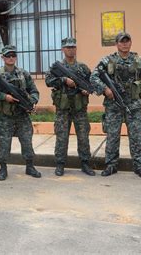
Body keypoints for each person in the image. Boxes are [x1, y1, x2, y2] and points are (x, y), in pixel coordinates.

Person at [90, 32, 141, 178]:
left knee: (136, 136)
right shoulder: (107, 60)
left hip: (134, 105)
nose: (124, 44)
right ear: (116, 44)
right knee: (112, 136)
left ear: (131, 43)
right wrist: (105, 89)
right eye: (121, 41)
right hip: (113, 105)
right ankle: (111, 165)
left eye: (127, 41)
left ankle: (140, 166)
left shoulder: (139, 61)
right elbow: (93, 77)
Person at [0, 45, 41, 180]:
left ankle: (30, 166)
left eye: (13, 55)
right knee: (5, 143)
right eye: (8, 55)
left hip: (22, 115)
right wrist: (4, 97)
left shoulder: (24, 73)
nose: (11, 58)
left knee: (27, 141)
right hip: (5, 116)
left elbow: (34, 91)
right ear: (2, 57)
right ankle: (3, 169)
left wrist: (32, 102)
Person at [45, 38, 95, 177]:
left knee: (83, 137)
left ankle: (85, 164)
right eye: (68, 48)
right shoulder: (57, 67)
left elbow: (91, 85)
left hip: (80, 109)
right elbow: (48, 81)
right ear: (63, 49)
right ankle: (60, 164)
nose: (71, 50)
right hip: (63, 109)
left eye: (73, 47)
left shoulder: (83, 68)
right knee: (61, 138)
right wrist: (63, 80)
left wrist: (86, 91)